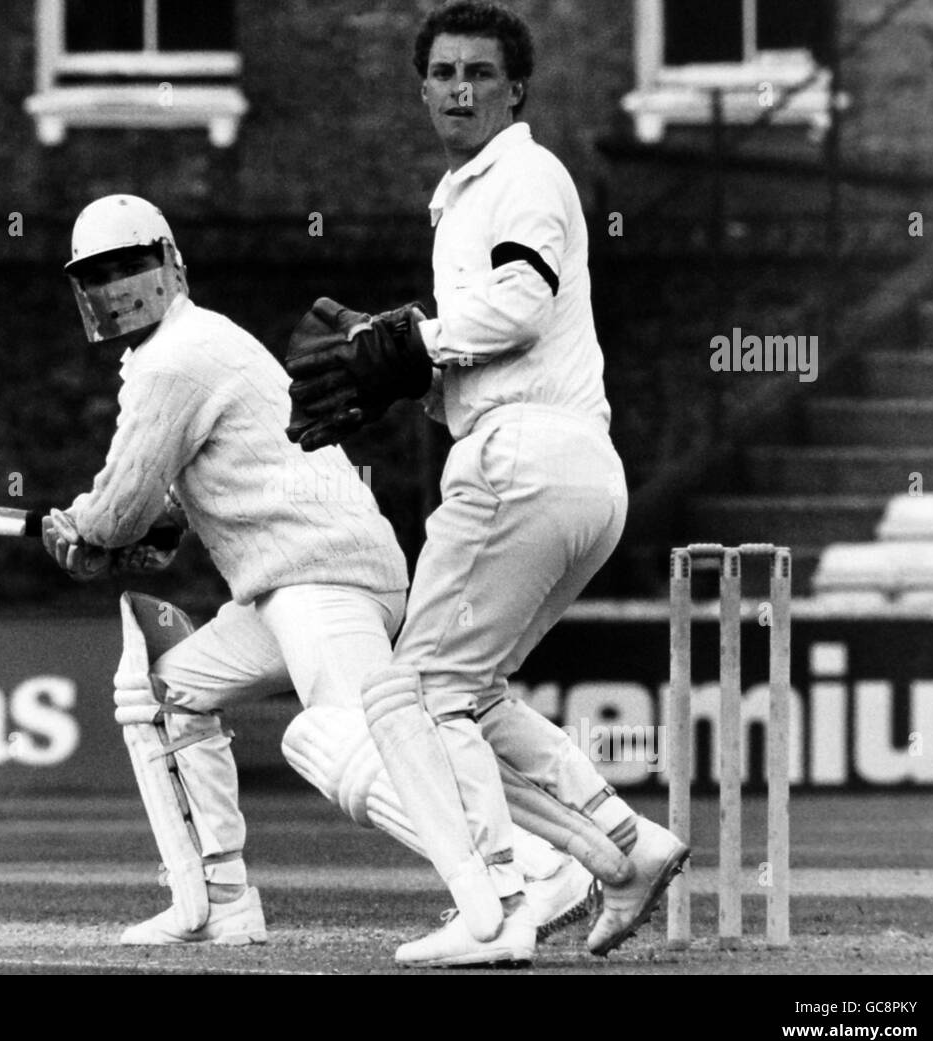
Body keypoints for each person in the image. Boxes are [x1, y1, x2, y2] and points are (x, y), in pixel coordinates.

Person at [40, 192, 604, 948]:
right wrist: (140, 535)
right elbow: (175, 494)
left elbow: (122, 502)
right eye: (100, 274)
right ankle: (215, 899)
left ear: (173, 265)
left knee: (348, 740)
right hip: (285, 583)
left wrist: (84, 530)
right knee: (159, 689)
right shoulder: (177, 350)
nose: (116, 287)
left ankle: (535, 871)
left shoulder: (177, 356)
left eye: (129, 266)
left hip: (322, 573)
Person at [283, 0, 689, 966]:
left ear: (516, 90)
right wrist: (402, 374)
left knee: (407, 697)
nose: (460, 88)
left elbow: (518, 304)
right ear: (423, 88)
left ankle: (497, 904)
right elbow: (491, 351)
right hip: (568, 469)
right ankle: (622, 847)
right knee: (467, 689)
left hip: (526, 462)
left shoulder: (524, 174)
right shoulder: (465, 192)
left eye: (480, 73)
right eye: (444, 73)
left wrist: (407, 341)